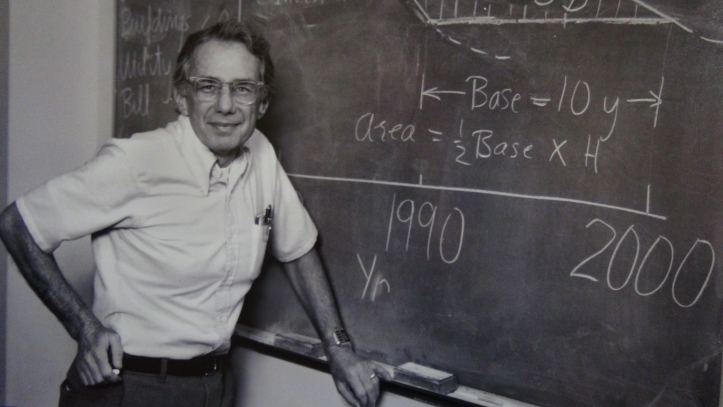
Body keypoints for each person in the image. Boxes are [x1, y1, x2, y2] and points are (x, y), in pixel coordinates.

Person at [0, 21, 390, 407]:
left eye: (242, 89)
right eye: (208, 86)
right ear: (182, 97)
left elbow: (299, 249)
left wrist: (338, 348)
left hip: (214, 387)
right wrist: (84, 327)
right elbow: (18, 224)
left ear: (263, 102)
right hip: (128, 387)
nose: (225, 106)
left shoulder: (261, 154)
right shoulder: (136, 161)